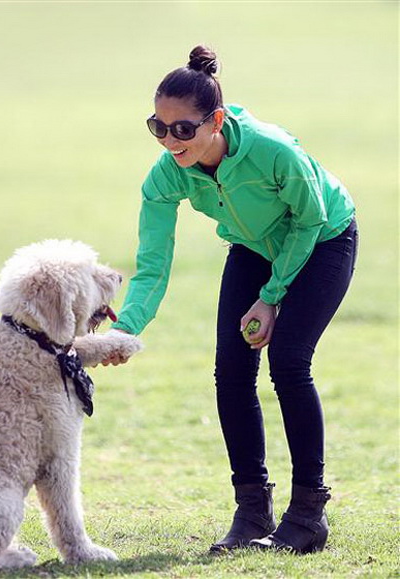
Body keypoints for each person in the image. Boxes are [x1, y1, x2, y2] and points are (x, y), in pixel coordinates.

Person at [106, 45, 358, 554]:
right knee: (232, 370)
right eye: (159, 127)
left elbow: (308, 220)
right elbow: (154, 263)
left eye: (183, 129)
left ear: (216, 120)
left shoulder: (273, 150)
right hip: (253, 246)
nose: (170, 141)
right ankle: (252, 513)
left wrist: (271, 298)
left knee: (288, 362)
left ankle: (309, 514)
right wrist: (125, 329)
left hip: (324, 237)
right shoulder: (166, 175)